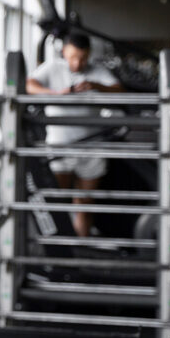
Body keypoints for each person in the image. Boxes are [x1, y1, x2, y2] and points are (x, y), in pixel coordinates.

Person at [26, 32, 124, 237]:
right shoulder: (53, 67)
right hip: (60, 148)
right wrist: (56, 94)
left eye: (82, 58)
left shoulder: (97, 71)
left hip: (92, 148)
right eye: (73, 57)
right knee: (57, 202)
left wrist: (96, 86)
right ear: (64, 53)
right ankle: (62, 250)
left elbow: (119, 91)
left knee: (85, 203)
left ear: (88, 55)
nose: (78, 63)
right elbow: (29, 85)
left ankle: (81, 249)